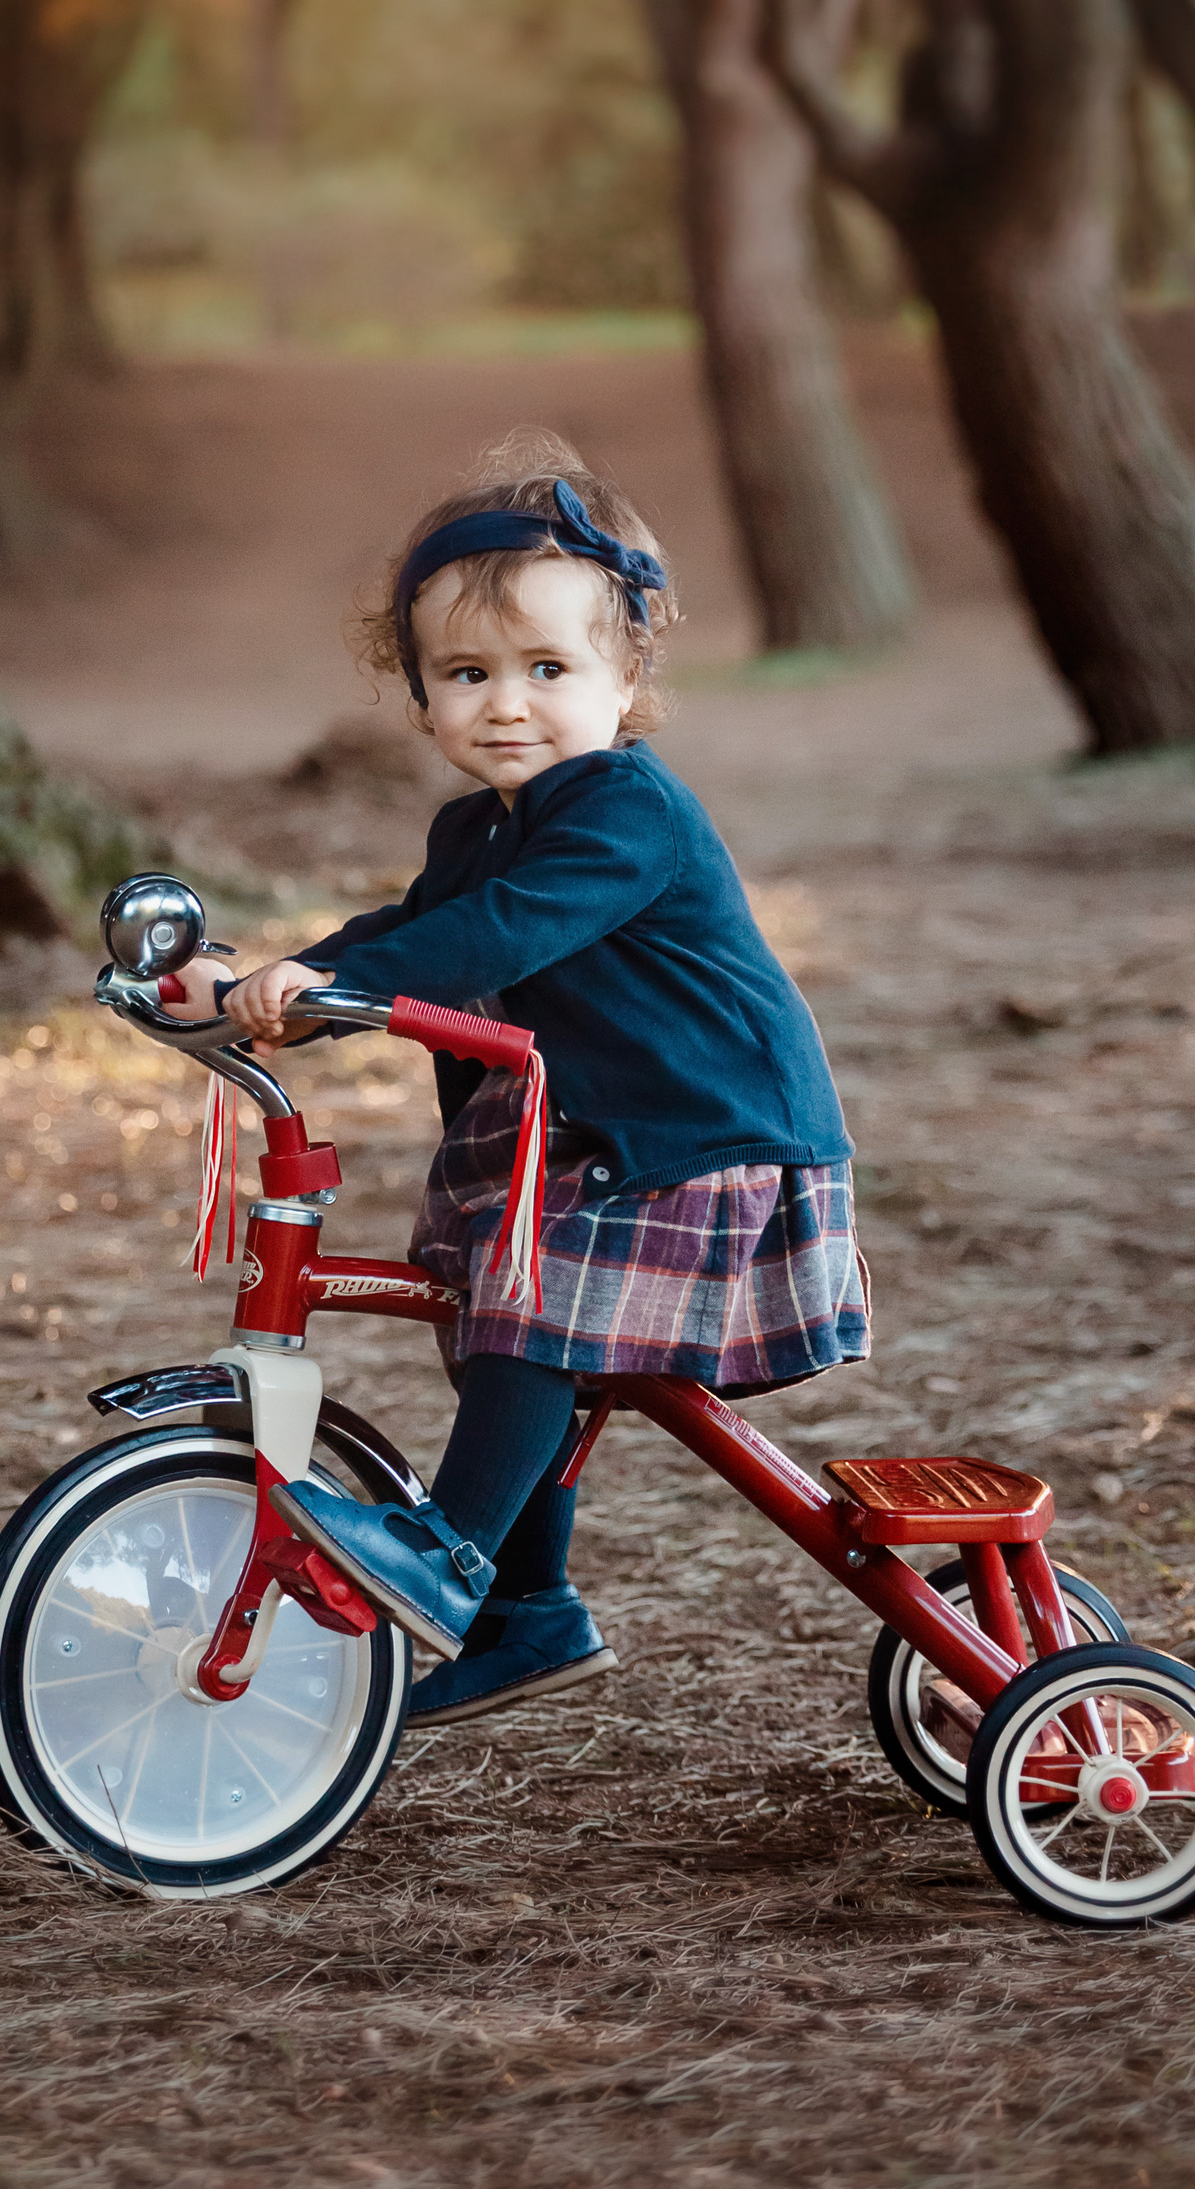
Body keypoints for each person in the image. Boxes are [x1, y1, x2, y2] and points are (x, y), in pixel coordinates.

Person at [174, 432, 867, 1726]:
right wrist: (272, 982)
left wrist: (324, 999)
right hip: (590, 1139)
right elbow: (408, 931)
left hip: (704, 1145)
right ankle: (530, 1612)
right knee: (506, 1333)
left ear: (625, 678)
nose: (507, 703)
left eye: (549, 669)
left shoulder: (623, 813)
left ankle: (450, 1557)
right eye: (467, 673)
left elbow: (499, 938)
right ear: (421, 696)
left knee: (536, 1321)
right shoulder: (473, 827)